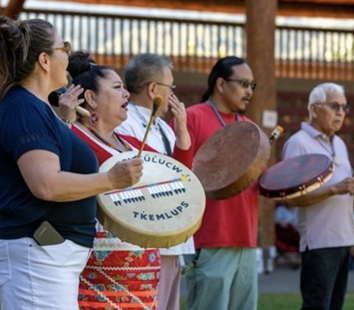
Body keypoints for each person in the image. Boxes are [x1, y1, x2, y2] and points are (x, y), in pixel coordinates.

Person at [0, 16, 143, 310]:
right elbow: (46, 184)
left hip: (51, 255)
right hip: (39, 253)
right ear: (45, 60)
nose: (69, 55)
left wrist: (66, 124)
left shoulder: (37, 106)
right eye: (64, 47)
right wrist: (112, 179)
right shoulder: (23, 107)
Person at [64, 51, 192, 309]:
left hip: (143, 272)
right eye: (117, 88)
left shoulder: (132, 143)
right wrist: (65, 120)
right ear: (91, 98)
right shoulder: (74, 136)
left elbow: (178, 181)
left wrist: (182, 133)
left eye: (125, 87)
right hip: (98, 272)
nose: (126, 94)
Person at [171, 56, 260, 310]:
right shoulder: (190, 118)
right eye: (244, 83)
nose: (249, 91)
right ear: (221, 84)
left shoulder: (249, 128)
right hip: (208, 236)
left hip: (247, 237)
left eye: (253, 85)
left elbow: (259, 181)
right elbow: (175, 173)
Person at [115, 52, 195, 310]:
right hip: (144, 232)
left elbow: (183, 177)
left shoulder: (165, 127)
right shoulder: (125, 123)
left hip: (170, 237)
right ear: (153, 89)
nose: (173, 93)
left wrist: (182, 130)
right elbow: (155, 174)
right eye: (170, 87)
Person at [282, 82, 354, 310]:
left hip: (344, 239)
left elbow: (344, 191)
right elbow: (291, 198)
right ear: (314, 109)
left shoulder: (341, 143)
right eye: (335, 106)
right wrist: (335, 189)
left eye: (344, 108)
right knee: (316, 306)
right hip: (319, 242)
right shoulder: (298, 143)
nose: (340, 113)